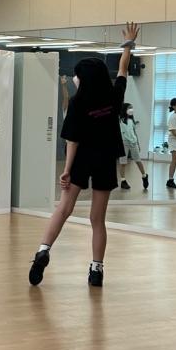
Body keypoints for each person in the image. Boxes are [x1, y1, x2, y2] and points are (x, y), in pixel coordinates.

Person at [28, 24, 141, 289]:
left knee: (63, 209)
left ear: (84, 79)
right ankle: (96, 269)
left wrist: (67, 170)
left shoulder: (78, 103)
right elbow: (123, 70)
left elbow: (73, 141)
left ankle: (43, 250)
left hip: (81, 159)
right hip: (105, 159)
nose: (75, 79)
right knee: (97, 219)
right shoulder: (114, 96)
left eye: (77, 76)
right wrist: (128, 44)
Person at [118, 103, 147, 191]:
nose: (131, 109)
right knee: (123, 162)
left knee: (138, 160)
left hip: (133, 143)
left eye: (132, 108)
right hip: (123, 143)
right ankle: (123, 181)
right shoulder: (119, 121)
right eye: (129, 108)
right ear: (125, 109)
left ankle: (144, 176)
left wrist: (138, 144)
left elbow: (134, 132)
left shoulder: (131, 121)